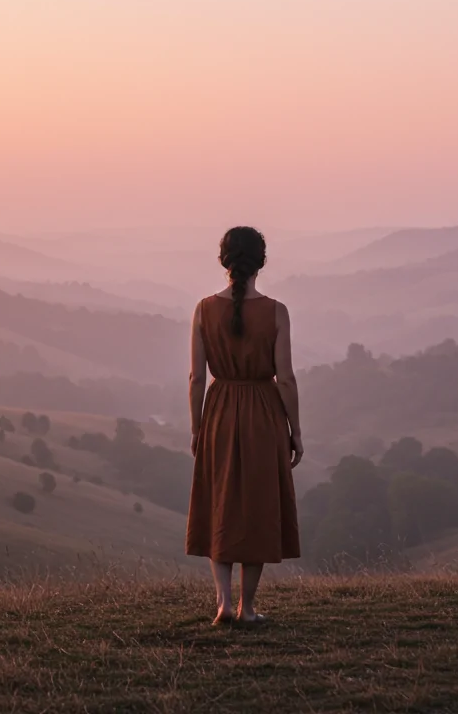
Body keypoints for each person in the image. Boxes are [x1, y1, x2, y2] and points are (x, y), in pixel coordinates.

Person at [187, 226, 303, 626]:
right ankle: (247, 608)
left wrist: (197, 428)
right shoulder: (276, 312)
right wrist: (296, 431)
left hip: (219, 411)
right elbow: (286, 379)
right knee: (257, 505)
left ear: (224, 261)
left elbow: (196, 378)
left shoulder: (203, 310)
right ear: (261, 262)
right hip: (263, 414)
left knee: (220, 502)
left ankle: (222, 602)